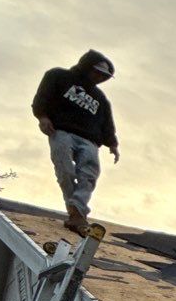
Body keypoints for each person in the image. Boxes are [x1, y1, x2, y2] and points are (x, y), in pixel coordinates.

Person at [32, 49, 119, 234]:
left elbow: (107, 122)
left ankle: (77, 210)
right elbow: (43, 97)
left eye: (104, 76)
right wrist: (42, 116)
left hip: (89, 140)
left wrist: (112, 143)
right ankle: (75, 212)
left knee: (89, 174)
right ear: (87, 68)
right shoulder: (59, 76)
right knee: (65, 169)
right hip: (62, 131)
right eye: (97, 73)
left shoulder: (100, 98)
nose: (100, 78)